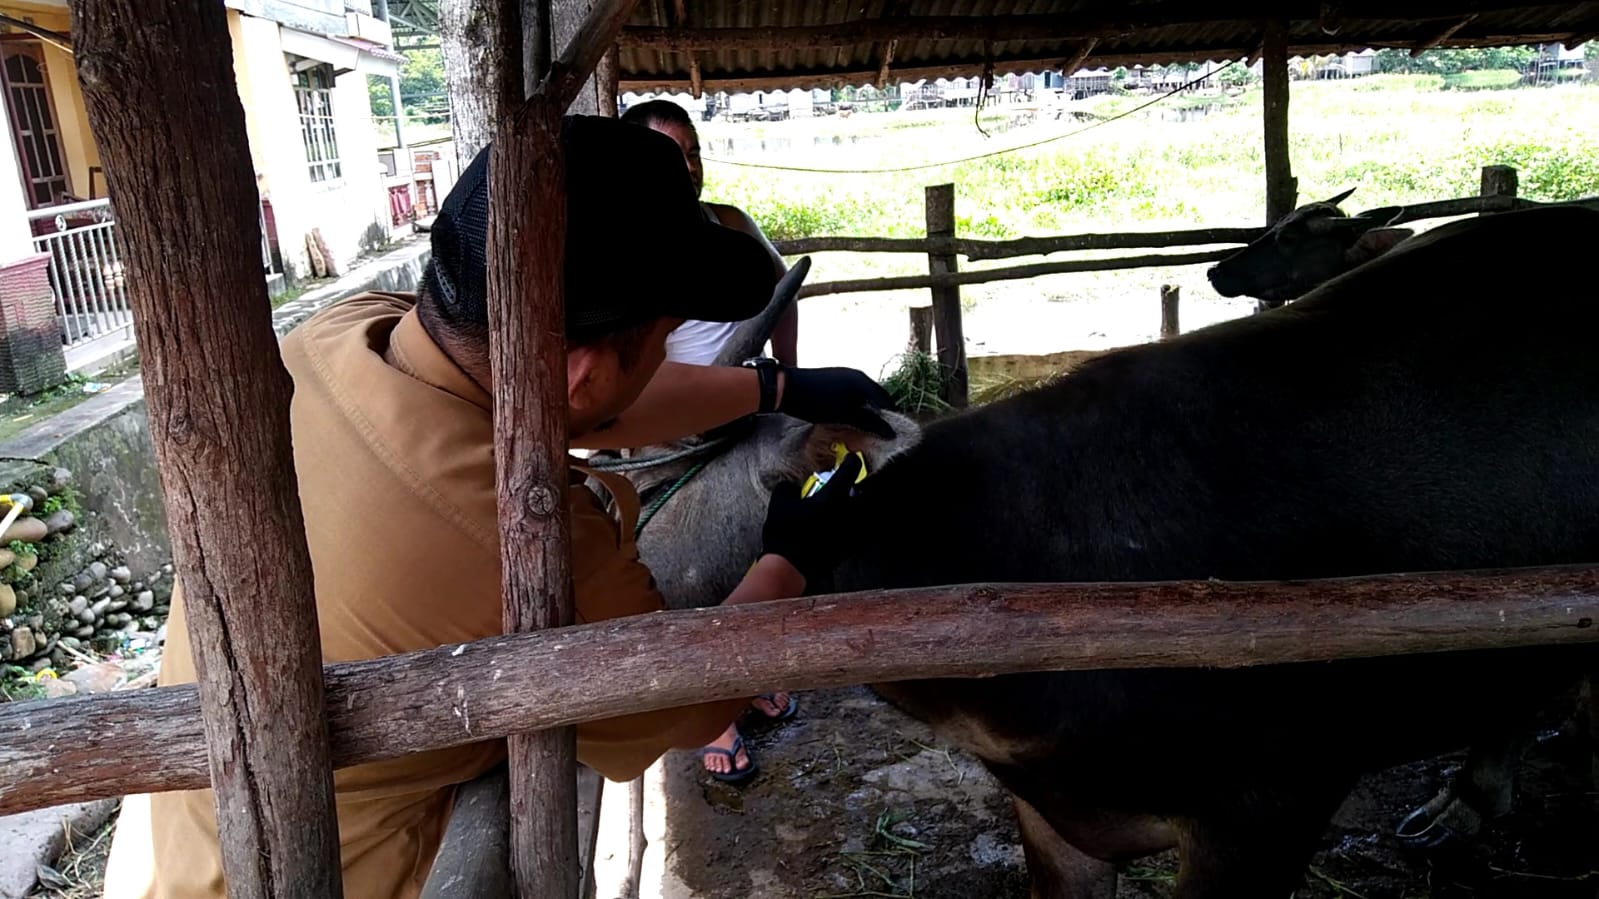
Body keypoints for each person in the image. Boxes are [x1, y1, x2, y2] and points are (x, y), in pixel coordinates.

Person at [101, 115, 887, 899]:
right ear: (582, 369)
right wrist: (790, 555)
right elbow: (687, 706)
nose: (657, 360)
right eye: (661, 338)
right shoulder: (525, 539)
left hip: (192, 848)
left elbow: (589, 405)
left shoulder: (337, 336)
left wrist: (776, 387)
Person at [620, 99, 800, 368]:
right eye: (672, 156)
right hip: (681, 406)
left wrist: (788, 370)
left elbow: (782, 291)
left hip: (757, 398)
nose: (691, 168)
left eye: (693, 155)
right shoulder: (620, 248)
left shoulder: (730, 222)